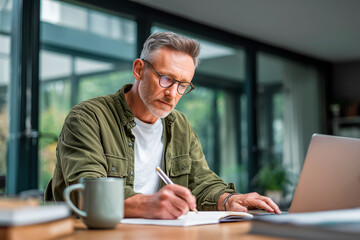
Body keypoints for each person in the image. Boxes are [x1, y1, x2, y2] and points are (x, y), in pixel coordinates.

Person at [45, 32, 281, 219]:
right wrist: (148, 203)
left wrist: (228, 200)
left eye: (183, 85)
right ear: (139, 69)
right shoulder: (88, 117)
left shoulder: (179, 125)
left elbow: (201, 182)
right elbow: (86, 194)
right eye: (166, 78)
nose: (172, 94)